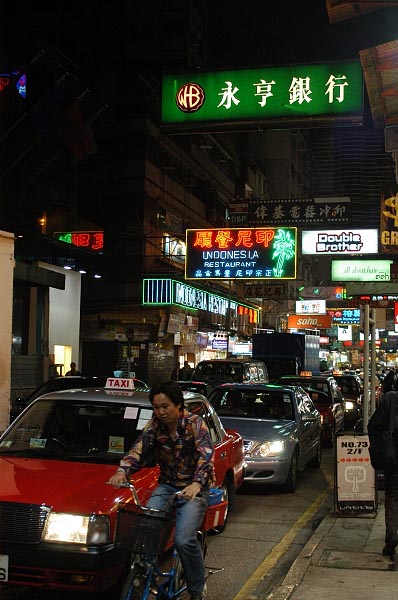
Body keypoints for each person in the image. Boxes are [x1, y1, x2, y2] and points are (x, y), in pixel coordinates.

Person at [108, 380, 214, 600]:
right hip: (167, 486)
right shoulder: (155, 425)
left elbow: (206, 455)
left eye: (165, 406)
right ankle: (146, 569)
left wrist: (196, 483)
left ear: (178, 405)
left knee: (184, 540)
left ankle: (197, 587)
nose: (161, 411)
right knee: (146, 527)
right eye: (156, 407)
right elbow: (138, 448)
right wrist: (122, 471)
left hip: (193, 488)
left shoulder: (195, 424)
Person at [368, 390, 398, 557]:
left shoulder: (390, 399)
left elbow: (373, 426)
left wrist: (378, 446)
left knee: (392, 495)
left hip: (392, 456)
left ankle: (392, 535)